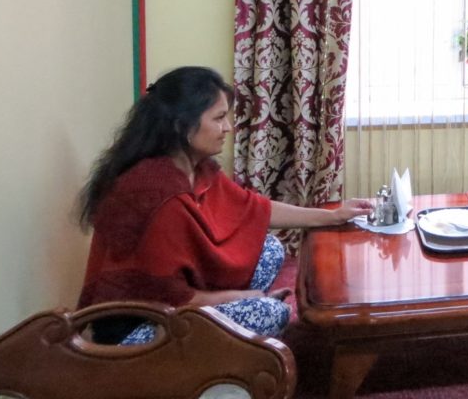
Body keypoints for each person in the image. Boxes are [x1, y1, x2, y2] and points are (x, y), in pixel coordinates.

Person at [77, 66, 372, 344]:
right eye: (218, 118)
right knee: (273, 314)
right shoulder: (161, 194)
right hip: (141, 327)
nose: (228, 127)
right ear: (182, 125)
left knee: (269, 248)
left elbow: (254, 209)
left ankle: (238, 315)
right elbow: (176, 300)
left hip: (178, 298)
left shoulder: (196, 168)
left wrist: (333, 216)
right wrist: (251, 297)